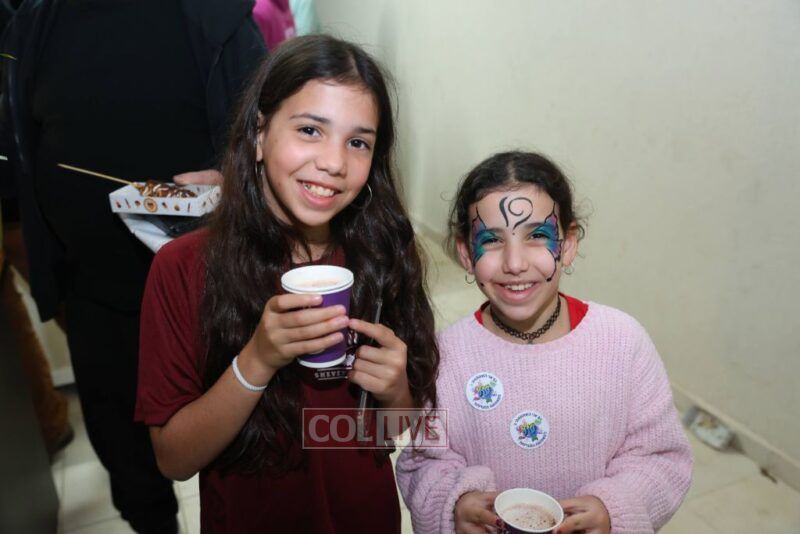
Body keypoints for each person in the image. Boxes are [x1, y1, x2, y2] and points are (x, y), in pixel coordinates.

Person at [135, 35, 440, 532]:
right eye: (310, 130)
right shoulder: (183, 268)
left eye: (358, 142)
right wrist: (257, 360)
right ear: (259, 133)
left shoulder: (384, 255)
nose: (334, 163)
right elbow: (174, 459)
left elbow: (395, 433)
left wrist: (397, 394)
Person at [0, 1, 265, 531]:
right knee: (130, 466)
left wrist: (238, 185)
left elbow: (276, 139)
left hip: (215, 297)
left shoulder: (216, 16)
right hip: (97, 301)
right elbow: (21, 153)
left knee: (246, 461)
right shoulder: (35, 21)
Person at [396, 151, 692, 534]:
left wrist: (612, 509)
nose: (515, 263)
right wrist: (455, 504)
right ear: (467, 254)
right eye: (492, 240)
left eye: (537, 235)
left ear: (567, 245)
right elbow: (424, 462)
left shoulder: (622, 342)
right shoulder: (445, 356)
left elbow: (660, 458)